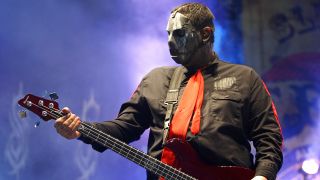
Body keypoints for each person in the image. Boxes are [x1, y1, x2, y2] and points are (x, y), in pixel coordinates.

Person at [54, 3, 283, 180]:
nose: (170, 41)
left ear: (205, 34)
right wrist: (81, 129)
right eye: (168, 34)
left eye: (179, 34)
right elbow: (125, 127)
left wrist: (262, 176)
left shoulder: (244, 78)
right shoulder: (155, 80)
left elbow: (269, 138)